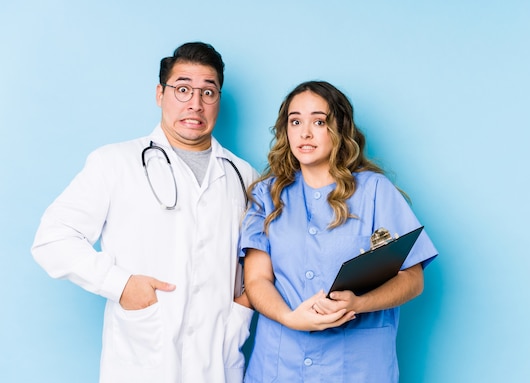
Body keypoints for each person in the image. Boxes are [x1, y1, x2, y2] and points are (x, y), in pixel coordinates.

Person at [32, 42, 258, 383]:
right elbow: (52, 240)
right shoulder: (115, 162)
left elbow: (251, 260)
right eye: (182, 89)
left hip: (218, 360)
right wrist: (122, 285)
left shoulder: (243, 175)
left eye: (207, 92)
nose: (195, 104)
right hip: (143, 357)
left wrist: (244, 303)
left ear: (218, 100)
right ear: (160, 94)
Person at [239, 80, 438, 382]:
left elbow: (412, 279)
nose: (305, 133)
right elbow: (256, 279)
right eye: (295, 121)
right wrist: (290, 318)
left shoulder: (375, 192)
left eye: (319, 121)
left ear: (339, 129)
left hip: (356, 367)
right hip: (280, 365)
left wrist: (359, 303)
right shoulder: (267, 195)